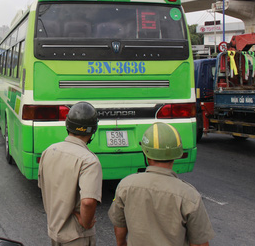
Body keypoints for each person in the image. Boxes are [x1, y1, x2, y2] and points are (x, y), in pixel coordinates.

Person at [108, 122, 215, 246]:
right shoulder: (189, 195)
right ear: (177, 155)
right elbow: (200, 242)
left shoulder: (125, 186)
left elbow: (119, 228)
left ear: (146, 153)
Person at [38, 102, 102, 246]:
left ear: (68, 125)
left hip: (55, 231)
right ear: (93, 130)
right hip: (77, 237)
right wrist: (85, 223)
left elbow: (45, 187)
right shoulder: (89, 161)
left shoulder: (49, 151)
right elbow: (88, 202)